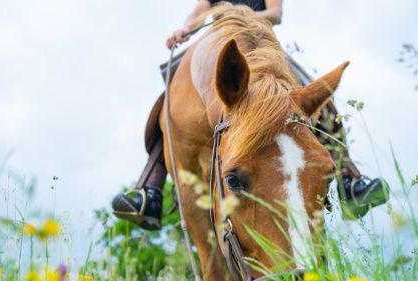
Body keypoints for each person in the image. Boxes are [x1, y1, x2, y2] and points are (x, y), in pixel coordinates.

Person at [112, 0, 389, 230]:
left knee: (311, 90)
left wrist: (236, 16)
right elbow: (197, 13)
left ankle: (348, 180)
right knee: (170, 102)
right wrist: (184, 29)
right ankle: (150, 188)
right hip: (218, 42)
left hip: (260, 43)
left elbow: (276, 13)